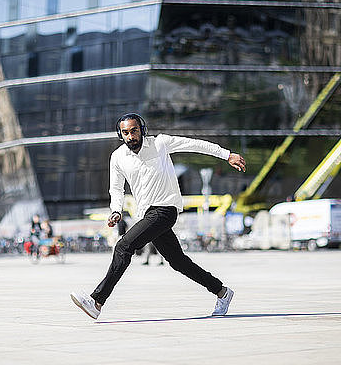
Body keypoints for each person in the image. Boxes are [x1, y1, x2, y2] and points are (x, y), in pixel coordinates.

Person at [71, 113, 246, 319]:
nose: (130, 136)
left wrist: (227, 155)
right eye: (125, 133)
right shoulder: (118, 157)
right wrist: (116, 210)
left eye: (134, 131)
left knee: (124, 246)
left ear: (142, 130)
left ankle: (97, 301)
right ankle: (222, 292)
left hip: (165, 209)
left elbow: (195, 145)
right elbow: (116, 189)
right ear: (121, 134)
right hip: (146, 214)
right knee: (178, 262)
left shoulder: (161, 143)